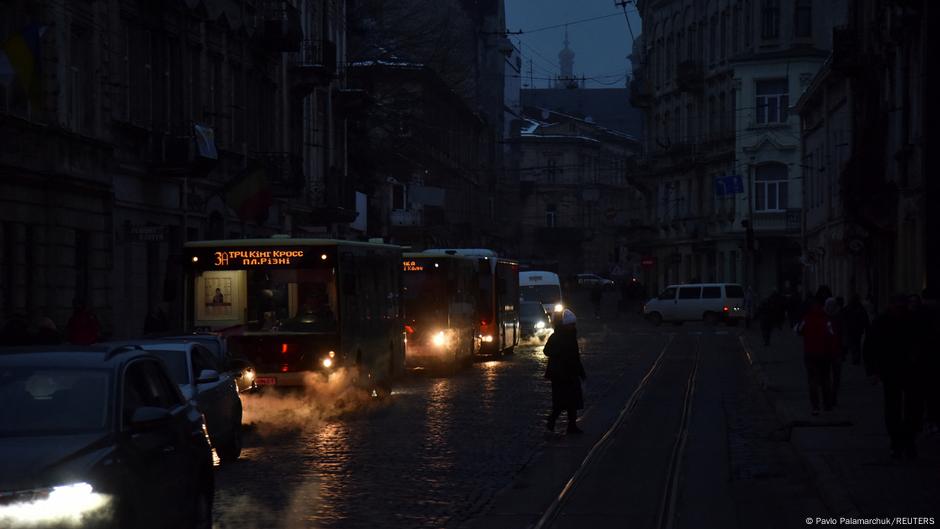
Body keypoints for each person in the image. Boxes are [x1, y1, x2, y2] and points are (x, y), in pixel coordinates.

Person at [865, 295, 923, 459]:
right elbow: (871, 346)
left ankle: (905, 440)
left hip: (908, 371)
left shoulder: (911, 321)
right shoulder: (885, 322)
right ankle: (900, 441)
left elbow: (870, 346)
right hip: (895, 371)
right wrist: (873, 370)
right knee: (896, 407)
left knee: (907, 407)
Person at [543, 309, 586, 434]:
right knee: (561, 401)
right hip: (560, 374)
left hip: (569, 373)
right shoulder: (558, 337)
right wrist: (559, 354)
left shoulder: (570, 336)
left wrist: (580, 371)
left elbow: (575, 356)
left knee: (572, 401)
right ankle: (553, 421)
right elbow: (547, 351)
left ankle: (571, 426)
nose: (573, 327)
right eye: (571, 324)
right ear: (566, 325)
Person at [796, 292, 835, 415]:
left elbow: (799, 330)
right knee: (825, 379)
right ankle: (827, 406)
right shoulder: (826, 319)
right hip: (824, 353)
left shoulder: (807, 318)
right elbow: (831, 334)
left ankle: (815, 407)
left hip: (810, 353)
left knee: (812, 380)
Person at [825, 297, 845, 407]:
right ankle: (831, 396)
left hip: (833, 351)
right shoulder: (834, 318)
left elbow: (843, 334)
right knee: (833, 376)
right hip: (831, 351)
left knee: (833, 377)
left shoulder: (837, 318)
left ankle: (832, 396)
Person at [842, 293, 870, 365]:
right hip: (857, 329)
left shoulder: (850, 307)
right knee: (856, 344)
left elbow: (844, 317)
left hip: (852, 329)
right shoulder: (860, 308)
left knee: (854, 344)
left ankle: (856, 358)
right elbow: (865, 319)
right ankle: (856, 358)